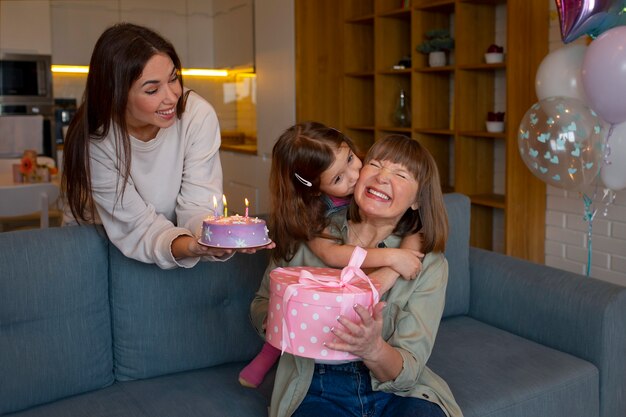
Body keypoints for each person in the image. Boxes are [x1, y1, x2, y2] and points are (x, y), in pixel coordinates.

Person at [250, 134, 462, 417]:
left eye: (400, 174)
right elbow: (261, 303)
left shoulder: (429, 263)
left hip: (398, 392)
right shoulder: (310, 232)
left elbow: (409, 369)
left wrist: (372, 348)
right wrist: (282, 318)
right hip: (316, 387)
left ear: (416, 201)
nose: (383, 177)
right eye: (374, 164)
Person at [61, 23, 272, 270]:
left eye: (173, 79)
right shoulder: (98, 141)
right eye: (152, 89)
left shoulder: (196, 115)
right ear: (115, 95)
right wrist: (188, 245)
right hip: (98, 241)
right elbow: (136, 226)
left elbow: (197, 204)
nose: (172, 97)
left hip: (160, 244)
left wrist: (203, 242)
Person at [238, 123, 424, 388]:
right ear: (315, 189)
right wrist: (391, 260)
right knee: (286, 315)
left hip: (376, 372)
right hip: (312, 338)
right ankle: (268, 354)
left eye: (350, 159)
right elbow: (332, 254)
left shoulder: (368, 182)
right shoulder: (312, 216)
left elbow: (423, 228)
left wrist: (400, 259)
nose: (354, 174)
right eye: (338, 178)